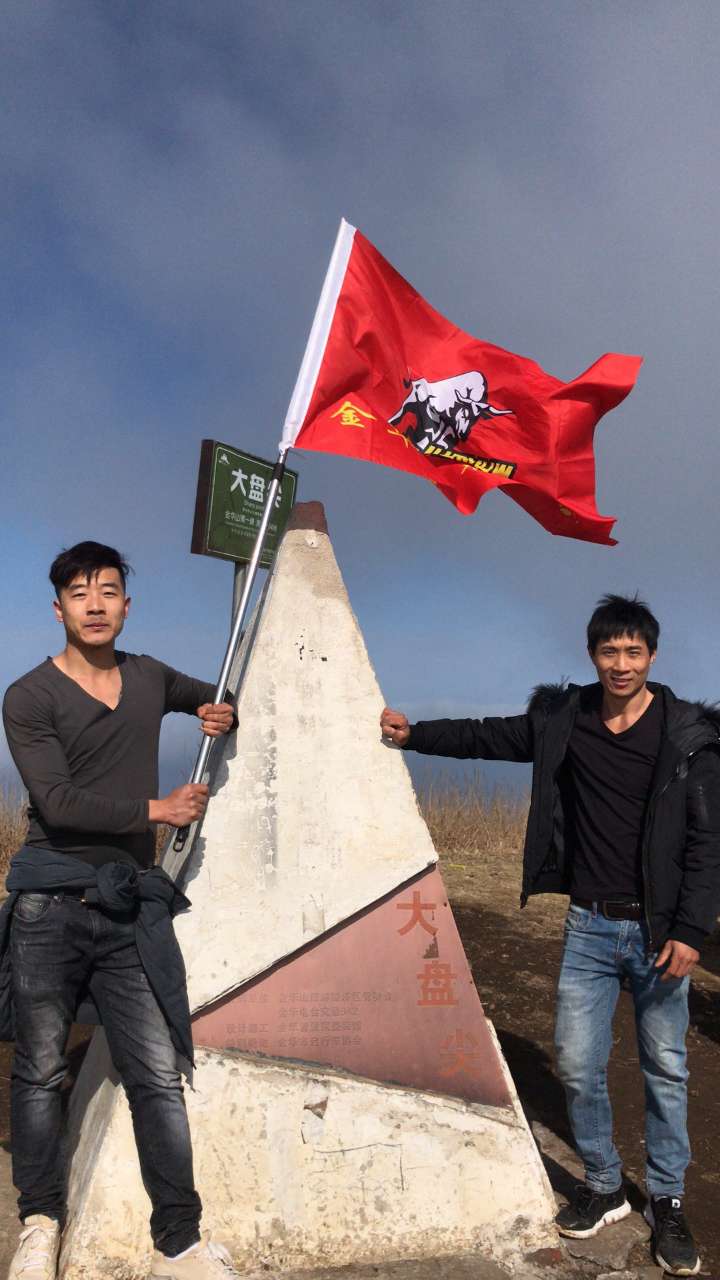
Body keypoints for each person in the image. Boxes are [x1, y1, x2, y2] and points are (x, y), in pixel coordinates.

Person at [380, 594, 720, 1278]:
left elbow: (708, 843)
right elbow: (489, 736)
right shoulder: (567, 718)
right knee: (575, 1062)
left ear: (652, 657)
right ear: (592, 655)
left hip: (659, 934)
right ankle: (604, 1184)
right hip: (589, 924)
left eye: (633, 652)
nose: (620, 664)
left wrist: (691, 930)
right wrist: (413, 734)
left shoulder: (687, 737)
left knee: (665, 1069)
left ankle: (667, 1198)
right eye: (608, 651)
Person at [2, 541, 243, 1280]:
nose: (95, 605)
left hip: (127, 908)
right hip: (49, 905)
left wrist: (218, 711)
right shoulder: (28, 696)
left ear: (127, 605)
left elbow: (217, 696)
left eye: (108, 591)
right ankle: (39, 1223)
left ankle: (179, 1241)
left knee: (156, 1074)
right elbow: (57, 803)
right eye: (80, 594)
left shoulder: (149, 677)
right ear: (59, 610)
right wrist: (158, 809)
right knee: (41, 1072)